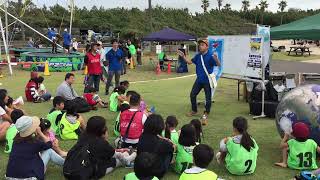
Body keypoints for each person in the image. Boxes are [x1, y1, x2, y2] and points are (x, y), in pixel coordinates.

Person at [67, 116, 136, 179]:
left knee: (111, 157)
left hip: (69, 170)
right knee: (116, 161)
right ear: (101, 130)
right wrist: (131, 157)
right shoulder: (100, 143)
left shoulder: (83, 136)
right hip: (85, 172)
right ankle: (130, 157)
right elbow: (117, 155)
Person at [6, 116, 64, 180]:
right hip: (30, 178)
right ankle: (67, 164)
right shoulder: (35, 143)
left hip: (10, 177)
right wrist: (40, 133)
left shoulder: (16, 141)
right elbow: (49, 144)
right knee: (49, 151)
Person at [178, 39, 221, 126]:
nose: (200, 46)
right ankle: (194, 110)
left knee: (208, 98)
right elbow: (189, 62)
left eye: (202, 45)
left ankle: (206, 113)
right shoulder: (198, 56)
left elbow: (218, 65)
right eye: (199, 45)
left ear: (207, 47)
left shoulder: (210, 56)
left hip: (207, 81)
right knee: (192, 94)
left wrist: (216, 58)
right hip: (199, 80)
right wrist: (183, 56)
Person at [137, 114, 175, 179]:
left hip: (140, 168)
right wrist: (169, 141)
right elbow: (173, 147)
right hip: (155, 172)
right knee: (169, 151)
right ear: (160, 127)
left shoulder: (141, 136)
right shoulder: (163, 143)